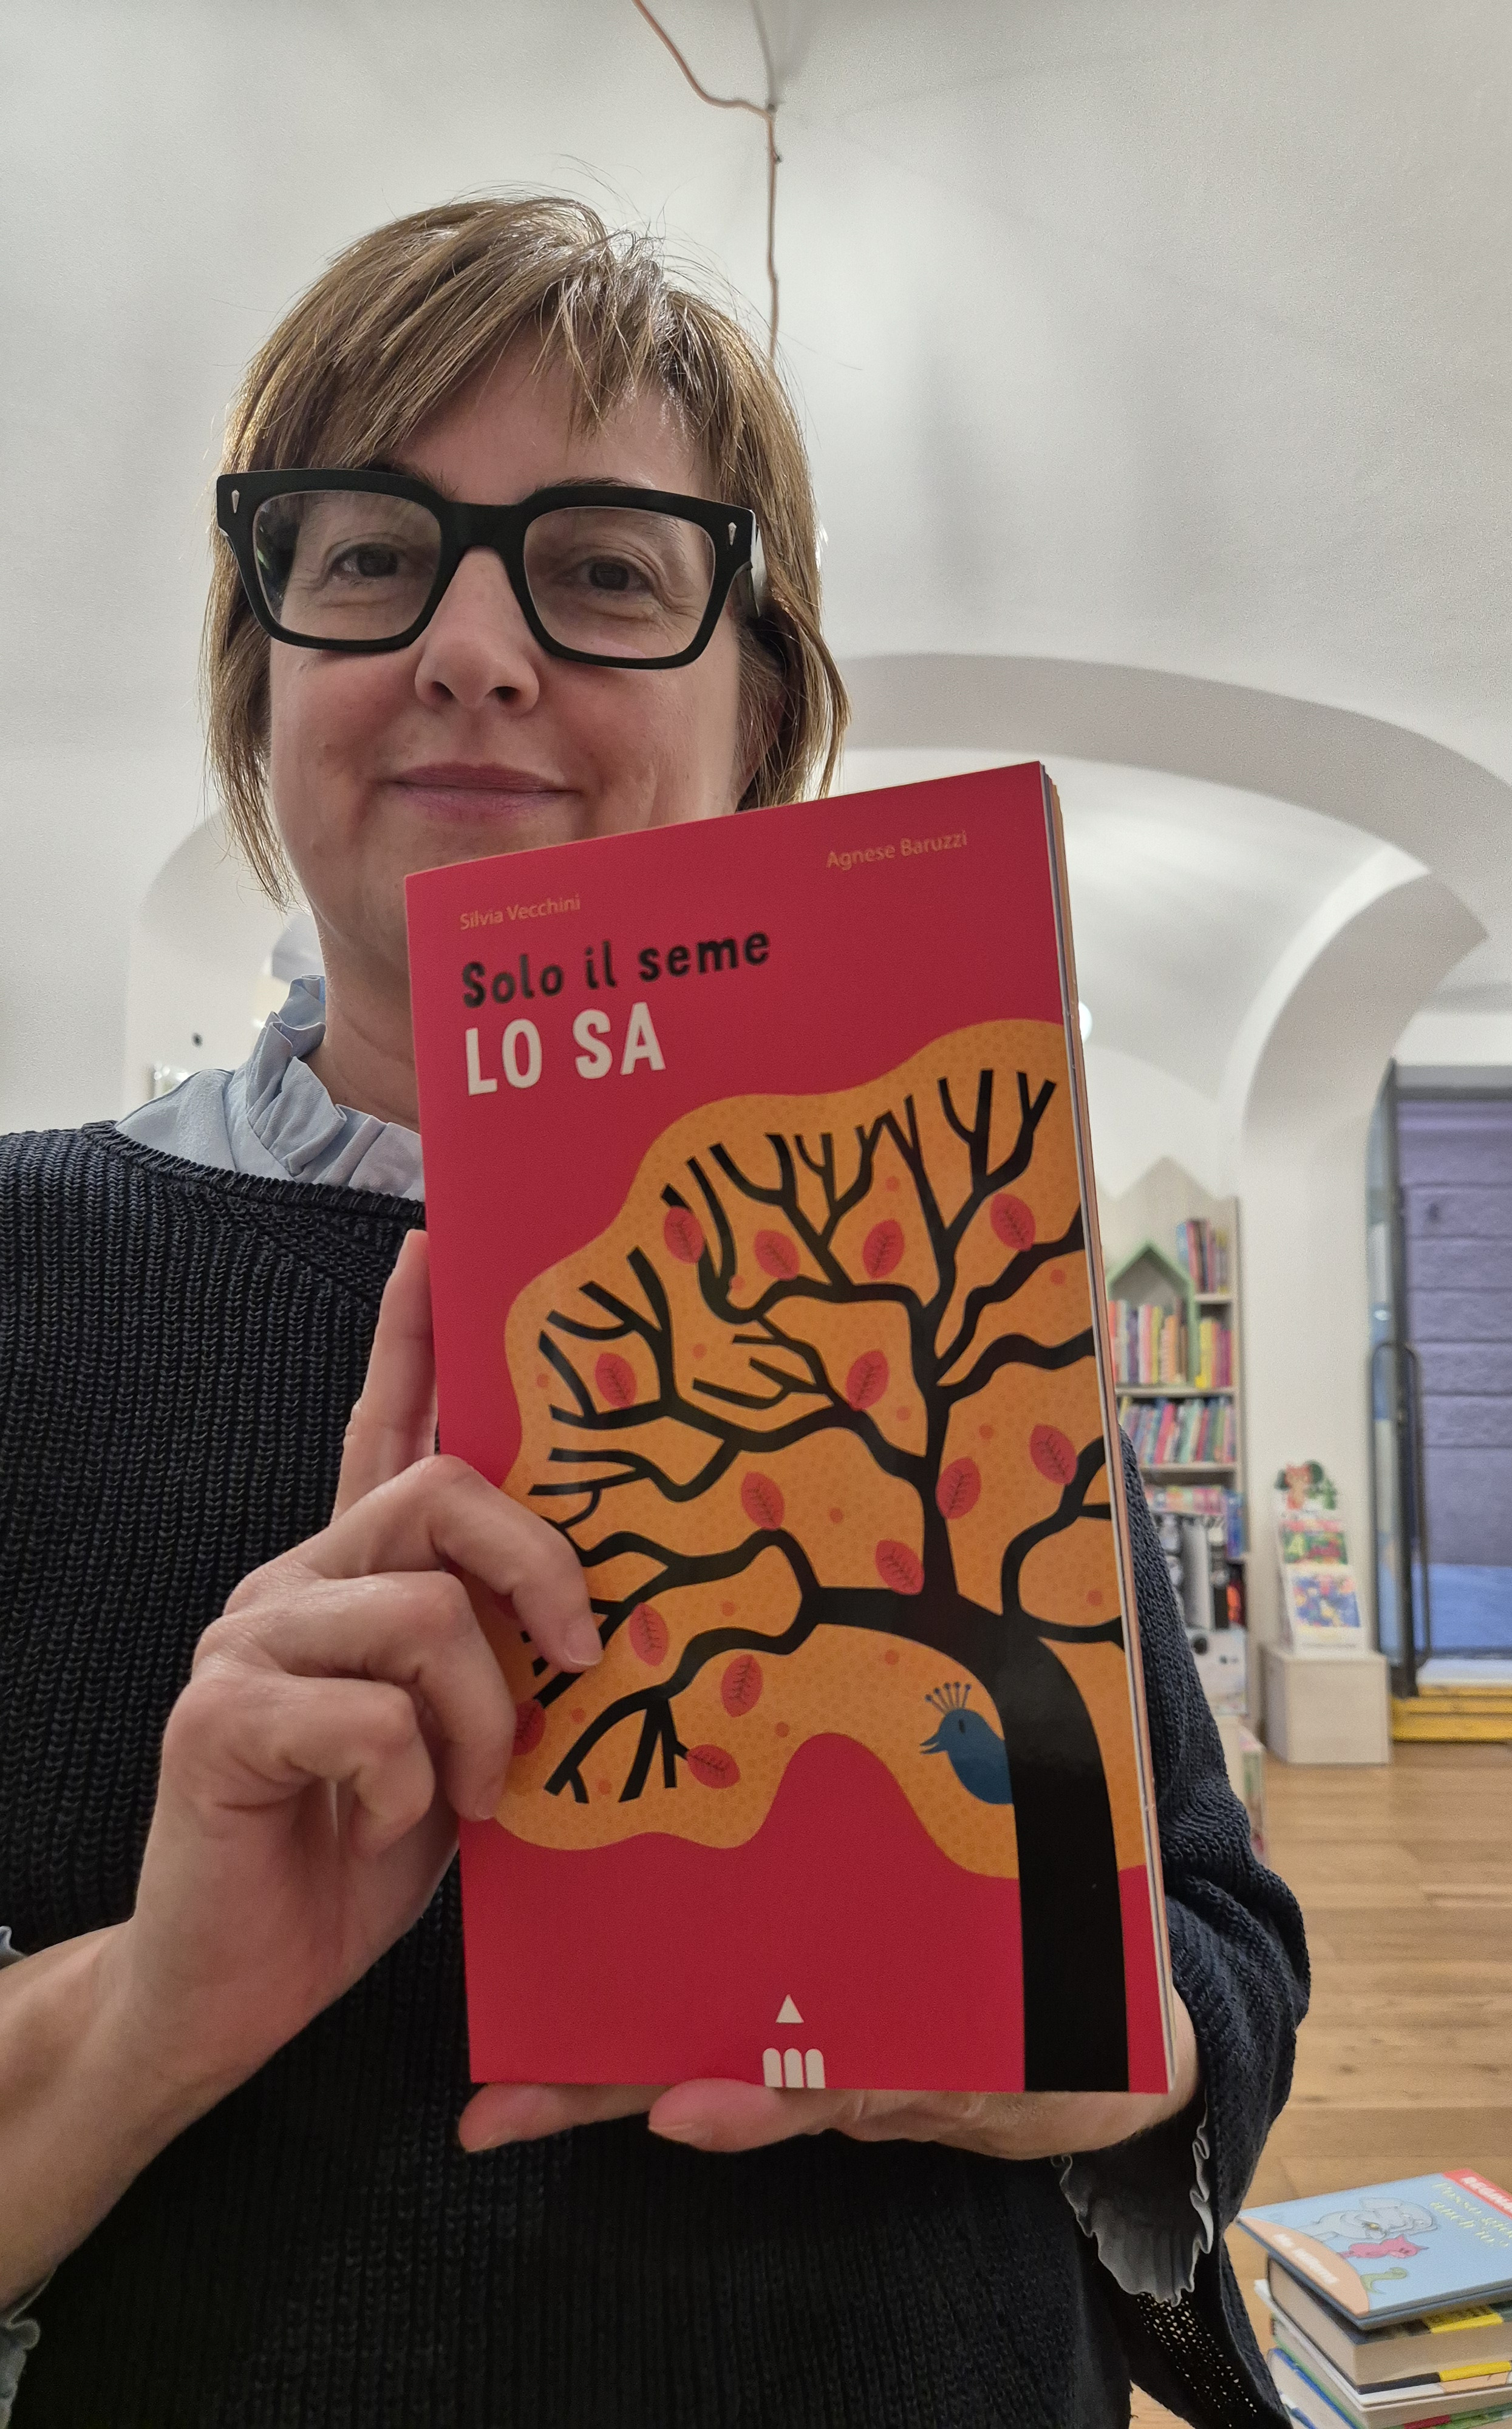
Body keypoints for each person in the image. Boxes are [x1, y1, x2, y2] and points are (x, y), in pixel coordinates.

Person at [0, 196, 1307, 2428]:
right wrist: (153, 2011)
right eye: (369, 554)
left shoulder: (923, 1240)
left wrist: (1092, 2055)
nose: (474, 651)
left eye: (605, 569)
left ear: (757, 703)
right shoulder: (28, 1276)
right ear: (261, 672)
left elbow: (1213, 1934)